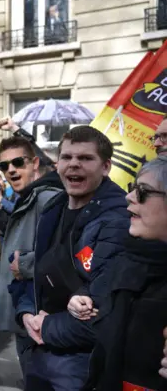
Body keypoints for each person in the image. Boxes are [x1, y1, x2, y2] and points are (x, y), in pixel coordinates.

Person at [14, 126, 130, 391]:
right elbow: (37, 279)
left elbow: (104, 313)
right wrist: (26, 314)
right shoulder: (53, 208)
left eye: (86, 158)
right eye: (67, 157)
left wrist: (47, 326)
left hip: (82, 363)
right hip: (41, 349)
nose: (74, 164)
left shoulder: (118, 220)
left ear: (106, 166)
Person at [67, 157, 167, 391]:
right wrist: (79, 297)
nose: (129, 197)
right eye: (133, 188)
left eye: (143, 191)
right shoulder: (128, 257)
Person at [0, 136, 63, 380]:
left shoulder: (47, 197)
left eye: (18, 162)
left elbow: (63, 252)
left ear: (34, 162)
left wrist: (24, 264)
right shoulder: (31, 195)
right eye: (4, 166)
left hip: (40, 314)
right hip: (27, 309)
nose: (11, 170)